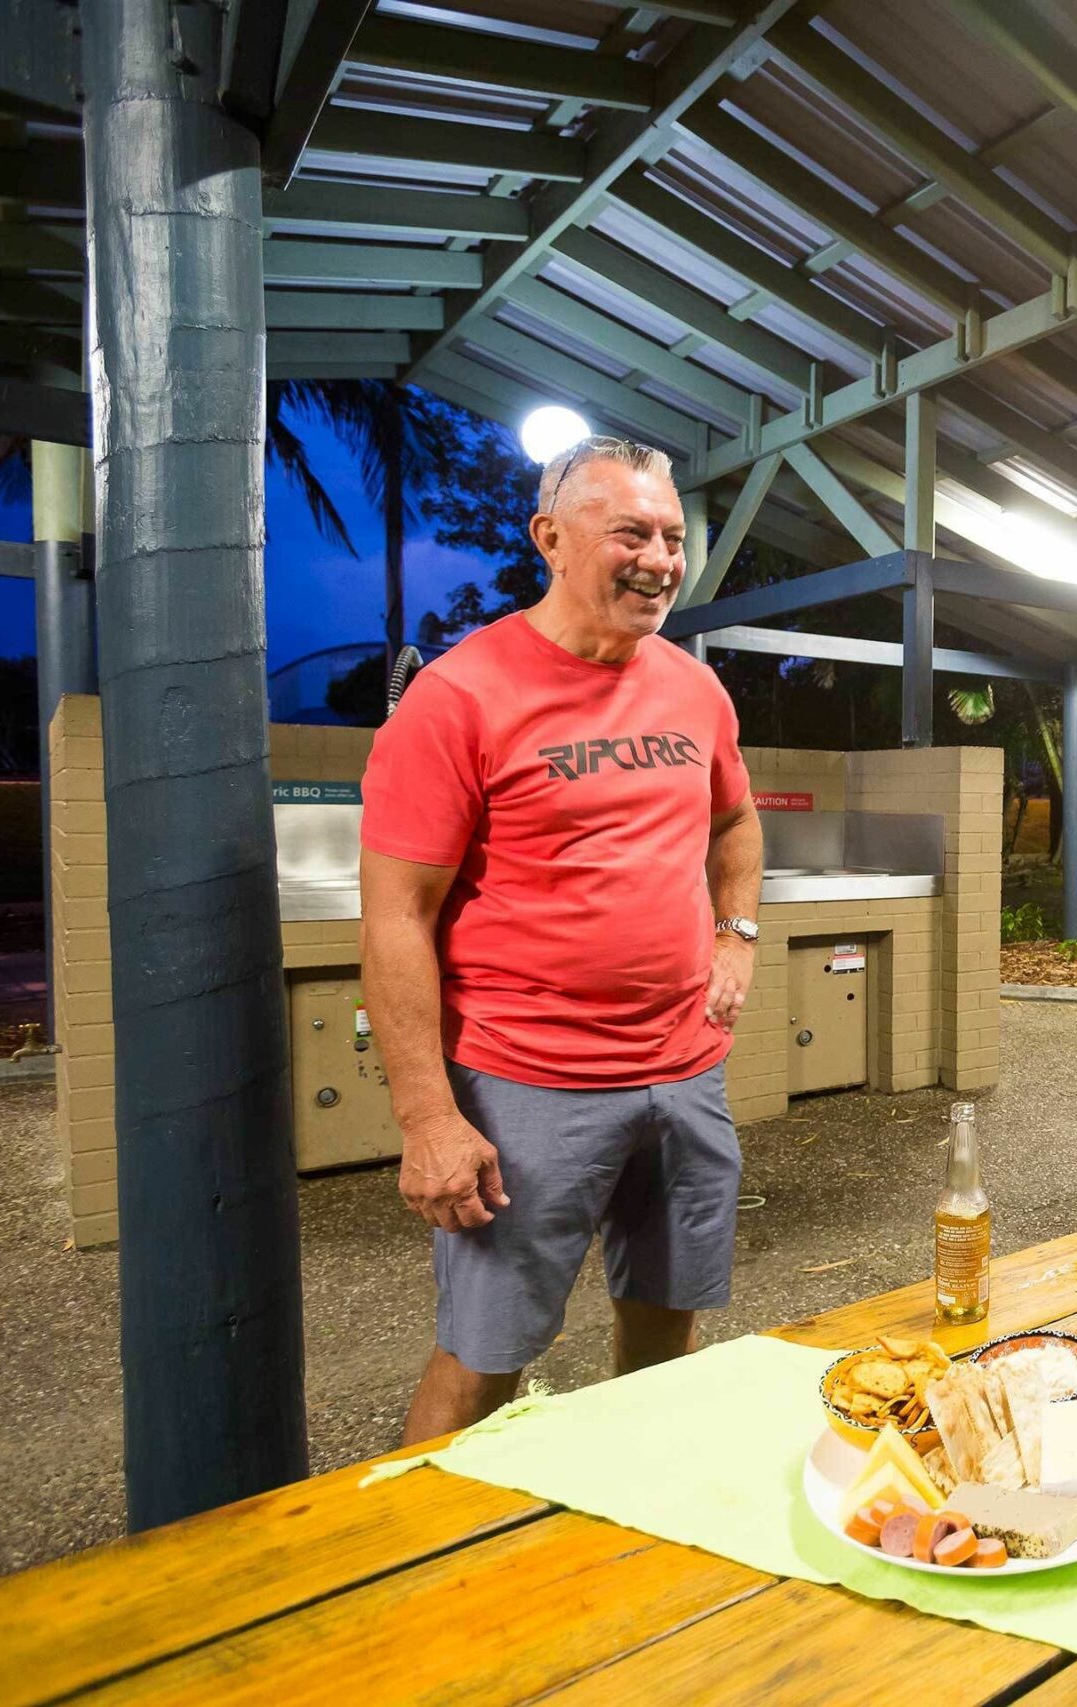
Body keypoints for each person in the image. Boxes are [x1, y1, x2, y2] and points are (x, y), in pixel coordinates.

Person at [360, 436, 765, 1445]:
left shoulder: (692, 689)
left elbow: (733, 822)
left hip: (683, 1072)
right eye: (631, 532)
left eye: (673, 537)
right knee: (485, 1354)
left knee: (667, 1317)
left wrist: (738, 934)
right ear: (549, 537)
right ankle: (404, 1571)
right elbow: (394, 915)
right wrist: (426, 1118)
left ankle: (629, 1506)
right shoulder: (460, 696)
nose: (661, 559)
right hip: (527, 1082)